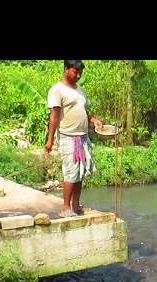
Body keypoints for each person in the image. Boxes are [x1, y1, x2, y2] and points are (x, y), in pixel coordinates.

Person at [44, 60, 103, 218]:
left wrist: (93, 120)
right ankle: (65, 208)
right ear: (66, 69)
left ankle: (76, 205)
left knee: (80, 172)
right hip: (68, 137)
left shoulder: (80, 90)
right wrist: (49, 140)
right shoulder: (57, 90)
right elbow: (54, 116)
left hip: (82, 137)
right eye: (74, 72)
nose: (78, 75)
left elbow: (83, 111)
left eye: (80, 73)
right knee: (71, 172)